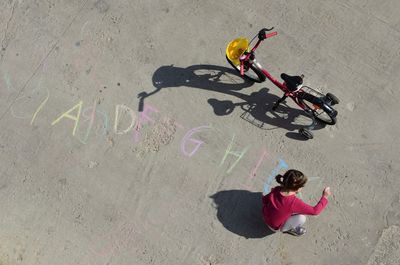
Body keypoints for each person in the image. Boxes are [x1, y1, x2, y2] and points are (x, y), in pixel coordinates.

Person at [262, 169, 331, 236]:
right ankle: (287, 229)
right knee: (302, 218)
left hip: (265, 216)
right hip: (275, 227)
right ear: (297, 188)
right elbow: (315, 211)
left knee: (287, 210)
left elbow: (264, 200)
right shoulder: (294, 203)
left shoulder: (277, 189)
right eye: (302, 186)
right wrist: (325, 197)